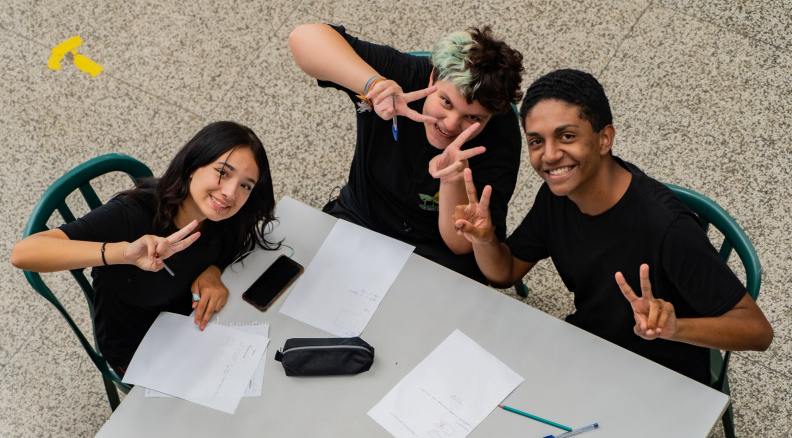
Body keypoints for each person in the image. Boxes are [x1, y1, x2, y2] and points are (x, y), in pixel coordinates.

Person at [454, 69, 773, 383]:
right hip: (592, 348)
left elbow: (758, 332)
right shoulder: (556, 197)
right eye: (537, 141)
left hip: (663, 373)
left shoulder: (667, 227)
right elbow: (505, 272)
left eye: (566, 136)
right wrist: (484, 239)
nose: (549, 155)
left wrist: (675, 327)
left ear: (604, 138)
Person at [11, 121, 280, 374]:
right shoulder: (131, 215)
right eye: (222, 173)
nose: (231, 193)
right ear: (192, 166)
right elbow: (24, 253)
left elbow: (226, 251)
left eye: (245, 185)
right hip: (138, 350)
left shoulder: (226, 218)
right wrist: (121, 253)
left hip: (194, 330)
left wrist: (213, 271)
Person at [289, 23, 524, 283]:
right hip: (362, 215)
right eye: (446, 102)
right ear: (432, 77)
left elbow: (460, 246)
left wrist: (452, 179)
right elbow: (303, 37)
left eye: (472, 118)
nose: (450, 124)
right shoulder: (405, 75)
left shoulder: (501, 138)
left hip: (437, 251)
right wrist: (373, 85)